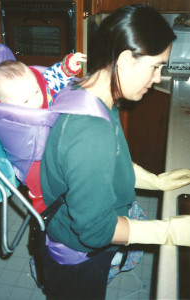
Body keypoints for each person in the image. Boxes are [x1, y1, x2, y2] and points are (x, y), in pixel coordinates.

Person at [35, 4, 190, 300]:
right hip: (79, 260)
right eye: (156, 66)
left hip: (84, 246)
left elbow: (111, 162)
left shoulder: (92, 97)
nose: (158, 78)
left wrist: (154, 181)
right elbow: (96, 231)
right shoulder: (89, 133)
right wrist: (166, 232)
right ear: (125, 60)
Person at [0, 52, 87, 213]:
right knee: (36, 178)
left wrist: (68, 66)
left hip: (55, 146)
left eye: (36, 91)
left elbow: (53, 78)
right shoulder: (7, 118)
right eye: (26, 100)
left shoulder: (38, 88)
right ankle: (42, 206)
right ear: (5, 105)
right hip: (29, 157)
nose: (35, 100)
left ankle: (78, 192)